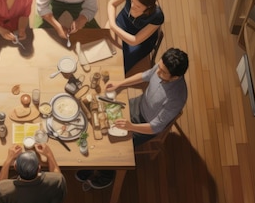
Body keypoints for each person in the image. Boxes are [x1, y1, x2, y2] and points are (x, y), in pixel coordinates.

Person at [76, 48, 189, 189]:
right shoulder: (163, 66)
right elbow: (145, 75)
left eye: (163, 72)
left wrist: (131, 126)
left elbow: (156, 126)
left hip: (146, 125)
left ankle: (106, 175)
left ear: (175, 77)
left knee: (114, 146)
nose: (158, 72)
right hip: (139, 103)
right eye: (159, 67)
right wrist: (120, 83)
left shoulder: (177, 98)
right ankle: (90, 165)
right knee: (102, 117)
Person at [0, 144, 66, 203]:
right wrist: (49, 154)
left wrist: (9, 159)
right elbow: (58, 176)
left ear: (15, 167)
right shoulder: (57, 182)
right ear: (39, 168)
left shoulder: (4, 190)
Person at [107, 0, 164, 73]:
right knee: (106, 47)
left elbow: (134, 41)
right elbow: (112, 4)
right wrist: (112, 22)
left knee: (121, 63)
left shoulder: (157, 16)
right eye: (132, 1)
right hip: (122, 23)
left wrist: (113, 27)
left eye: (138, 6)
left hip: (141, 40)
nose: (132, 6)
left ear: (148, 7)